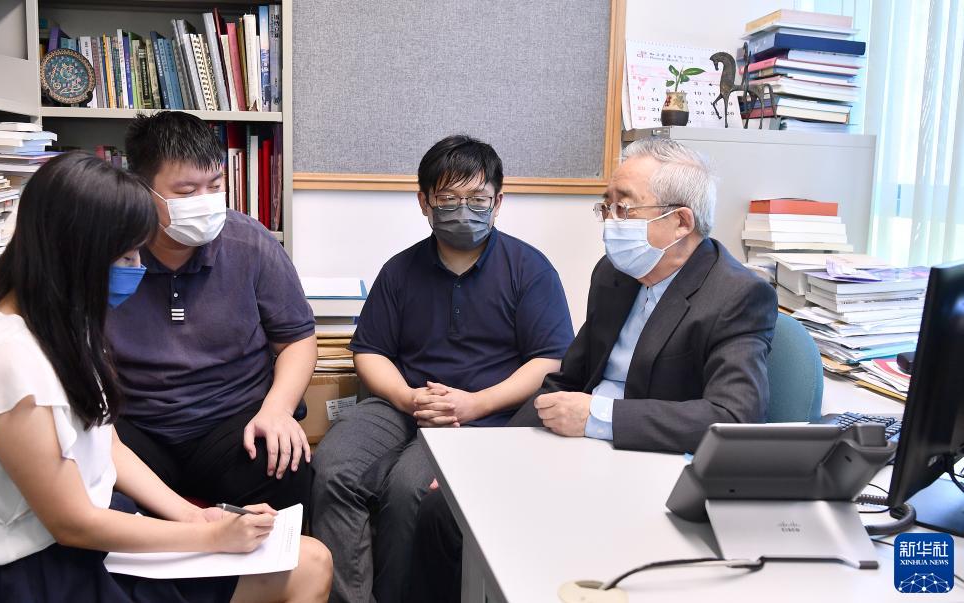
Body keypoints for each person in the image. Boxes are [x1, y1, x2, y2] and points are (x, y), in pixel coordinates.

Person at [0, 152, 331, 602]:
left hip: (92, 538)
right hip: (53, 570)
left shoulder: (58, 326)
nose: (137, 269)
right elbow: (72, 523)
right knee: (309, 567)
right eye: (126, 256)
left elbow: (106, 445)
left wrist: (195, 517)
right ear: (77, 255)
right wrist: (211, 538)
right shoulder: (7, 359)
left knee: (307, 557)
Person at [407, 137, 778, 602]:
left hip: (645, 469)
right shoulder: (613, 275)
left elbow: (734, 417)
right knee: (443, 510)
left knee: (527, 537)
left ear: (681, 222)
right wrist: (491, 458)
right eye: (607, 207)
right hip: (573, 450)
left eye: (625, 208)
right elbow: (564, 382)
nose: (610, 222)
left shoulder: (737, 295)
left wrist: (597, 417)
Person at [310, 135, 574, 602]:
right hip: (403, 402)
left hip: (484, 413)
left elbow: (548, 360)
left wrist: (475, 404)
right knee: (332, 469)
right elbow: (370, 351)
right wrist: (407, 397)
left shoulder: (530, 270)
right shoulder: (400, 270)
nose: (463, 210)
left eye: (478, 199)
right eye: (448, 199)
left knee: (409, 489)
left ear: (498, 203)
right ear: (424, 202)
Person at [107, 112, 317, 512]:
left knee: (286, 464)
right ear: (142, 190)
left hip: (231, 422)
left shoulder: (250, 243)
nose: (204, 202)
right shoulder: (114, 251)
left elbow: (298, 341)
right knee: (93, 484)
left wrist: (277, 410)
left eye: (215, 186)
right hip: (138, 424)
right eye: (186, 191)